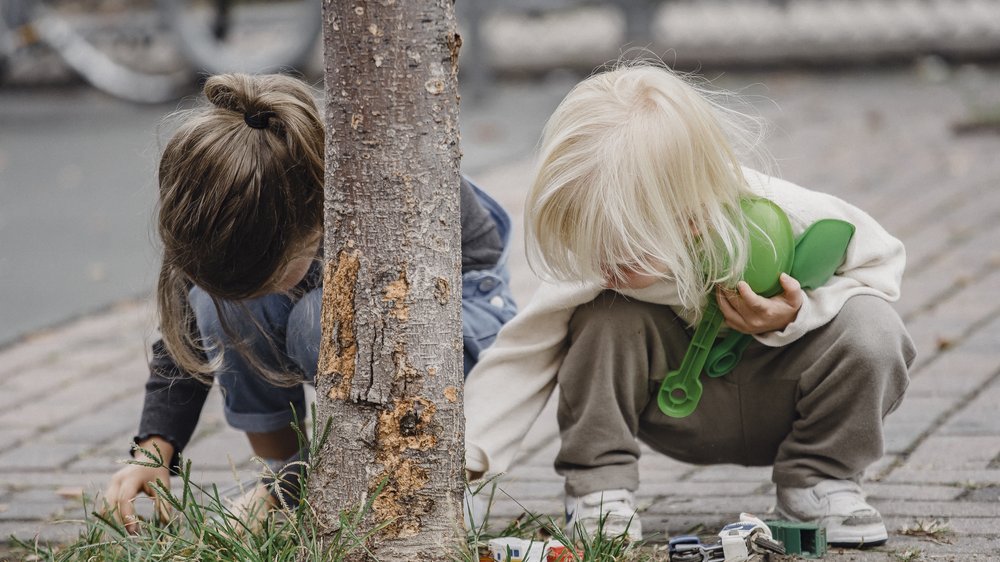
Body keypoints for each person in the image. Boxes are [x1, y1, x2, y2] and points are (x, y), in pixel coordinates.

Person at [463, 63, 915, 546]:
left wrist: (799, 314)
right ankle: (600, 491)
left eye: (624, 249)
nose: (601, 262)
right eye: (590, 242)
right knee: (601, 318)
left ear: (693, 219)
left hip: (782, 397)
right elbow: (524, 354)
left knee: (874, 328)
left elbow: (882, 266)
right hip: (678, 410)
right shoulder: (605, 265)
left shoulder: (788, 214)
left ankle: (819, 481)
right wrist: (466, 457)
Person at [102, 73, 517, 531]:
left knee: (317, 318)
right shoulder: (225, 210)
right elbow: (184, 342)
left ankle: (425, 482)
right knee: (221, 307)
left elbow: (466, 298)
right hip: (341, 309)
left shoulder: (378, 184)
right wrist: (151, 451)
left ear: (311, 227)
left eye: (267, 278)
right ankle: (287, 478)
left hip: (457, 315)